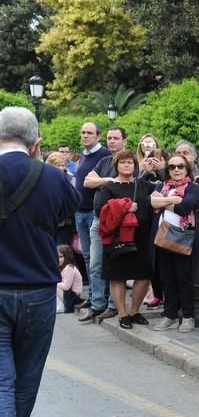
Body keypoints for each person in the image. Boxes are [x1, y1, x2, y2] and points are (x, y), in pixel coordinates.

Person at [0, 106, 80, 417]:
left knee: (1, 385)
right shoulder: (51, 176)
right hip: (38, 293)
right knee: (26, 383)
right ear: (35, 143)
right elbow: (72, 206)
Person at [95, 150, 156, 330]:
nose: (127, 165)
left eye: (130, 162)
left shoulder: (142, 185)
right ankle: (122, 314)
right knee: (117, 276)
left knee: (144, 275)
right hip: (117, 238)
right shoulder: (109, 186)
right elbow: (100, 210)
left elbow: (162, 190)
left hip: (141, 237)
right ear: (116, 166)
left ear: (135, 166)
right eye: (123, 162)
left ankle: (135, 311)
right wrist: (125, 207)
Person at [78, 125, 130, 323]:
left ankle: (112, 305)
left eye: (116, 138)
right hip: (98, 219)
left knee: (115, 264)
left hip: (119, 222)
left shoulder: (128, 161)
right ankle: (97, 304)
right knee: (95, 263)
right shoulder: (104, 160)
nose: (111, 141)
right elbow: (87, 182)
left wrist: (101, 181)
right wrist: (109, 179)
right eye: (109, 138)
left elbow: (126, 184)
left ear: (124, 140)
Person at [150, 154, 199, 332]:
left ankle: (187, 316)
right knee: (167, 279)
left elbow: (185, 207)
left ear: (187, 169)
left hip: (181, 237)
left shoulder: (192, 188)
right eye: (172, 167)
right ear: (167, 170)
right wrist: (173, 200)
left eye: (180, 166)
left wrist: (162, 202)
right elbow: (151, 202)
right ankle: (170, 315)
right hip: (162, 238)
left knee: (183, 278)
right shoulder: (161, 186)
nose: (176, 169)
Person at [72, 122, 110, 317]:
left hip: (93, 213)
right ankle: (94, 294)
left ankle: (99, 299)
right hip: (79, 211)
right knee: (87, 257)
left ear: (98, 136)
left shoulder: (103, 155)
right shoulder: (84, 155)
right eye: (83, 132)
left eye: (89, 133)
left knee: (97, 260)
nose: (85, 135)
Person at [57, 244, 83, 314]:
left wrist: (54, 283)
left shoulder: (69, 268)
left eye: (60, 257)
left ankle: (61, 307)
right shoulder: (63, 268)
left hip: (73, 297)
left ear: (67, 257)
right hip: (68, 294)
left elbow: (66, 286)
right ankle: (58, 305)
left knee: (54, 285)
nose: (58, 259)